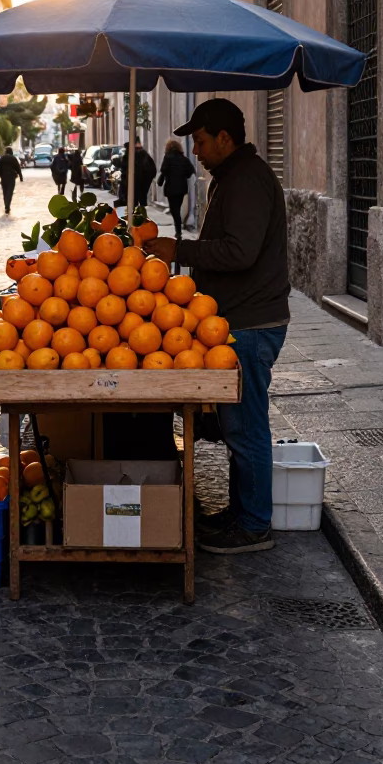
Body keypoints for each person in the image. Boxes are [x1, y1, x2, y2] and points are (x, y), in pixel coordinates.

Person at [147, 99, 290, 555]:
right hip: (237, 321)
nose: (197, 151)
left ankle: (253, 525)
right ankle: (242, 512)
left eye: (203, 141)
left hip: (250, 324)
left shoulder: (247, 180)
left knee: (246, 428)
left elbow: (239, 252)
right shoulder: (232, 178)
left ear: (225, 138)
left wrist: (181, 251)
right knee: (236, 426)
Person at [158, 138, 195, 239]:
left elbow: (164, 170)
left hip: (171, 188)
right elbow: (190, 171)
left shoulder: (167, 158)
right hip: (181, 189)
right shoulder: (184, 159)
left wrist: (160, 181)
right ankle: (178, 230)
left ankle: (178, 231)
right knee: (177, 208)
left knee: (174, 210)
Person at [114, 136, 156, 209]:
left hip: (134, 184)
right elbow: (152, 170)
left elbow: (125, 166)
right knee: (141, 201)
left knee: (133, 203)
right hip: (141, 185)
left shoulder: (131, 155)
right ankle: (142, 217)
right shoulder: (144, 154)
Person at [0, 146, 23, 214]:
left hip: (4, 177)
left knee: (5, 192)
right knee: (10, 192)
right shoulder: (13, 159)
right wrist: (21, 177)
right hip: (11, 178)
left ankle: (6, 205)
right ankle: (8, 205)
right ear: (11, 152)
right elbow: (18, 168)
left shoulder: (2, 158)